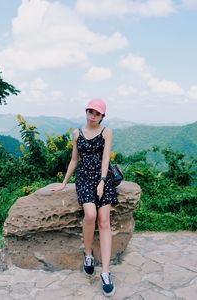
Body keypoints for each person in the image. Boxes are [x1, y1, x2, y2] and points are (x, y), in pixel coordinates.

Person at [51, 99, 118, 297]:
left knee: (104, 220)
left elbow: (106, 157)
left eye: (97, 113)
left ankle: (105, 272)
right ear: (86, 112)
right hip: (84, 179)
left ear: (102, 116)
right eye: (90, 111)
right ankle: (88, 254)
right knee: (90, 215)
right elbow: (74, 159)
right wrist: (64, 182)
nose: (92, 115)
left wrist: (103, 180)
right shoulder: (76, 134)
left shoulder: (107, 132)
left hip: (103, 178)